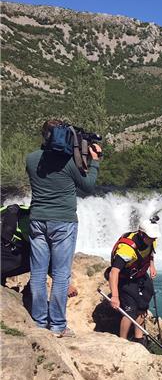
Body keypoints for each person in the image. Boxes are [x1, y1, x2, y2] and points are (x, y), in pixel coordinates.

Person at [26, 119, 101, 337]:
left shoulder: (31, 159)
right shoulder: (69, 161)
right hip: (63, 222)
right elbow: (88, 187)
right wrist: (93, 161)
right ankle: (57, 326)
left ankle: (39, 323)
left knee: (38, 273)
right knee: (60, 275)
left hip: (37, 219)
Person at [108, 218, 159, 346]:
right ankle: (123, 342)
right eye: (150, 237)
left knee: (143, 306)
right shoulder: (127, 249)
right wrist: (115, 296)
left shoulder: (151, 240)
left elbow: (150, 253)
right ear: (141, 234)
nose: (153, 240)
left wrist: (152, 266)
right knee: (130, 311)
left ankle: (138, 339)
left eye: (154, 238)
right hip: (125, 279)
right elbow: (113, 272)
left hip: (140, 275)